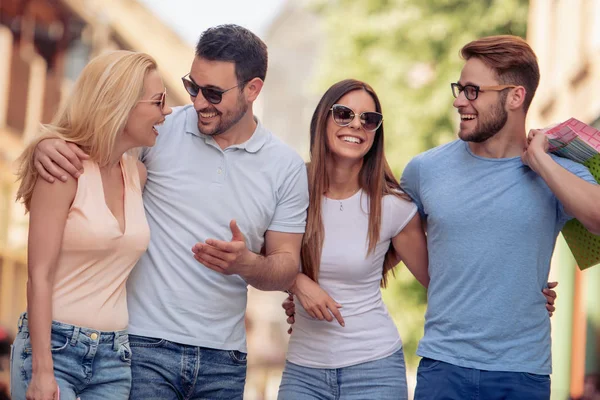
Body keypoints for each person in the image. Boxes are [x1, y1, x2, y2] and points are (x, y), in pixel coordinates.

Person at [30, 24, 308, 399]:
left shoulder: (286, 167)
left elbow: (286, 264)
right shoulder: (157, 131)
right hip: (143, 348)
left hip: (225, 360)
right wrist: (45, 145)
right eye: (193, 86)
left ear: (253, 89)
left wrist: (247, 264)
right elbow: (95, 137)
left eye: (212, 93)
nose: (197, 102)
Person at [401, 35, 600, 400]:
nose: (459, 101)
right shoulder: (424, 170)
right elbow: (378, 239)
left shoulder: (557, 170)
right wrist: (306, 287)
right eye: (459, 89)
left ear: (515, 96)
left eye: (473, 91)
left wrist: (539, 161)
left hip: (522, 372)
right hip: (443, 368)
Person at [10, 50, 171, 400]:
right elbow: (39, 275)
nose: (166, 111)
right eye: (158, 101)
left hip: (115, 358)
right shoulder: (63, 170)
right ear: (121, 103)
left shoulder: (137, 175)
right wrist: (42, 371)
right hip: (54, 349)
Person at [276, 79, 429, 400]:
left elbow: (442, 280)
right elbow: (262, 257)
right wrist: (299, 283)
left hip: (375, 368)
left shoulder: (393, 206)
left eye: (368, 119)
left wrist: (518, 295)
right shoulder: (291, 189)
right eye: (344, 114)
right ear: (323, 119)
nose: (356, 125)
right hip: (304, 370)